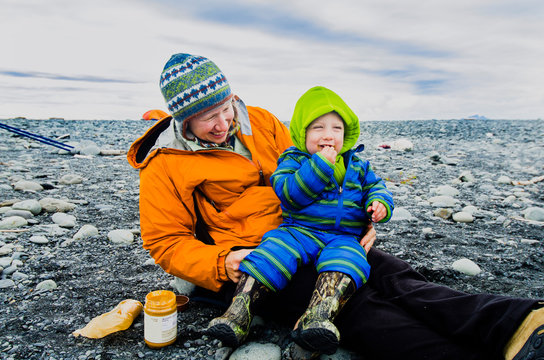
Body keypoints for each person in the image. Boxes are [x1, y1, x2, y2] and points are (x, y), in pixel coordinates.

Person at [127, 52, 544, 360]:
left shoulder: (262, 121)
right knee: (352, 305)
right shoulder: (165, 164)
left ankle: (515, 322)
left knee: (392, 273)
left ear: (233, 97)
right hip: (263, 254)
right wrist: (222, 263)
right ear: (181, 120)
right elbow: (165, 241)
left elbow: (317, 172)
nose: (222, 124)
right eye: (206, 119)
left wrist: (360, 211)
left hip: (320, 229)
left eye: (224, 109)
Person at [207, 85, 394, 354]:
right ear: (302, 133)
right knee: (271, 253)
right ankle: (237, 313)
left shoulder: (358, 166)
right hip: (299, 230)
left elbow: (376, 188)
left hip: (344, 237)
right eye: (317, 128)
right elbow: (289, 194)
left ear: (347, 134)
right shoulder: (293, 160)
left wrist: (380, 205)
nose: (328, 135)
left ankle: (318, 317)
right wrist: (319, 166)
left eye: (336, 129)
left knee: (348, 263)